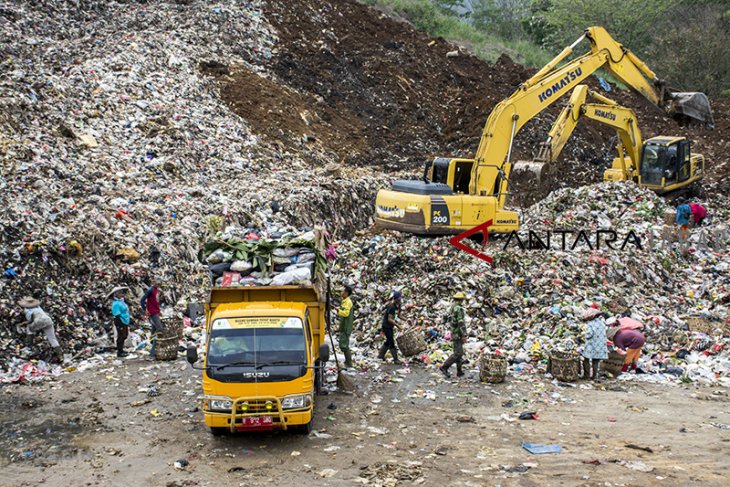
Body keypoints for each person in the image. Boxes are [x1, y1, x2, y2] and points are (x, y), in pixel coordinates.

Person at [18, 297, 63, 363]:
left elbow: (30, 320)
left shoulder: (27, 310)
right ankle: (60, 356)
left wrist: (22, 323)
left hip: (39, 322)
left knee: (29, 329)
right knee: (52, 339)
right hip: (48, 320)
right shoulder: (39, 307)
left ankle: (29, 347)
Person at [440, 291, 468, 378]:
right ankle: (444, 367)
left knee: (460, 353)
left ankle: (459, 371)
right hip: (457, 333)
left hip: (454, 331)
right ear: (461, 300)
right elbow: (460, 322)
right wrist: (464, 334)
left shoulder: (452, 307)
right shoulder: (459, 309)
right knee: (457, 353)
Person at [581, 308, 608, 380]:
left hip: (592, 344)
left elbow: (589, 334)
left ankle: (586, 376)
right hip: (600, 345)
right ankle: (594, 376)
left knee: (586, 359)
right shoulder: (602, 323)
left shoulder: (591, 324)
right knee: (595, 361)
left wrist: (583, 335)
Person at [378, 290, 403, 364]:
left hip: (390, 326)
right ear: (395, 299)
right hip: (386, 326)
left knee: (388, 341)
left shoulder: (398, 305)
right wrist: (398, 326)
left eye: (400, 298)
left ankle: (380, 356)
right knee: (391, 341)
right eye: (398, 298)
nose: (400, 300)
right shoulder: (391, 307)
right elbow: (389, 319)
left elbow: (399, 315)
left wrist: (407, 319)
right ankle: (396, 359)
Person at [140, 280, 162, 358]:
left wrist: (159, 311)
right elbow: (142, 300)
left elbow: (156, 302)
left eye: (159, 283)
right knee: (159, 328)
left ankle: (152, 344)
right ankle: (153, 350)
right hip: (152, 312)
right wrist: (145, 309)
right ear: (153, 283)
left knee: (154, 328)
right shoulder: (150, 290)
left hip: (156, 311)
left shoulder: (157, 290)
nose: (158, 284)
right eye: (156, 282)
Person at [337, 285, 355, 369]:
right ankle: (347, 361)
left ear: (347, 293)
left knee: (344, 345)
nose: (341, 293)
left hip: (346, 327)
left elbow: (346, 313)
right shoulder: (344, 301)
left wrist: (338, 310)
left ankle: (349, 363)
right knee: (343, 344)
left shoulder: (348, 302)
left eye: (343, 291)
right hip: (344, 326)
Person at [111, 287, 131, 358]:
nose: (121, 294)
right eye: (119, 293)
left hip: (124, 320)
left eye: (121, 293)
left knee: (125, 335)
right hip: (120, 320)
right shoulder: (116, 304)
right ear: (115, 295)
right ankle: (119, 352)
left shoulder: (121, 302)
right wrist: (121, 322)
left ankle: (121, 350)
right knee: (121, 336)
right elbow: (117, 314)